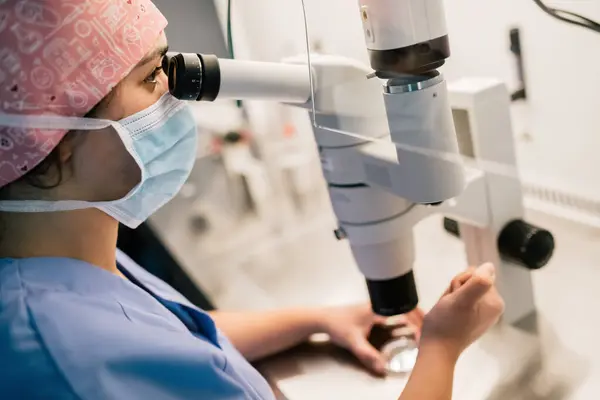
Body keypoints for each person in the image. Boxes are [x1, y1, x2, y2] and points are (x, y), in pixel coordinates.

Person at [0, 1, 504, 399]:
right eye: (152, 76)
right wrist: (443, 347)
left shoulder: (60, 268)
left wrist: (316, 318)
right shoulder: (72, 355)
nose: (174, 91)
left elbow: (176, 339)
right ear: (57, 140)